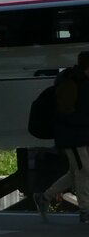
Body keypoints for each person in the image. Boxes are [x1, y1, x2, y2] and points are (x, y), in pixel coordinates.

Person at [34, 51, 89, 223]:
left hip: (78, 135)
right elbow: (64, 113)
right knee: (84, 171)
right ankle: (85, 211)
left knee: (75, 172)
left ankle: (44, 197)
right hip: (73, 137)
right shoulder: (71, 83)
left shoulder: (80, 82)